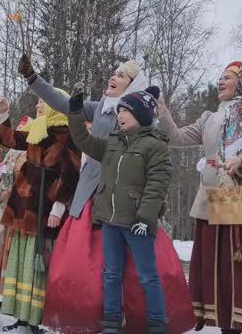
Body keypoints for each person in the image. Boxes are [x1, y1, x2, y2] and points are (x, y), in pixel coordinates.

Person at [18, 54, 195, 333]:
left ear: (134, 86)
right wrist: (33, 79)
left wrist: (147, 212)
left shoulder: (146, 128)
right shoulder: (100, 108)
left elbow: (156, 174)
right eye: (113, 73)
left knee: (142, 271)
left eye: (121, 76)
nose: (113, 77)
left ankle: (150, 320)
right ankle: (94, 318)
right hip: (94, 196)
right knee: (90, 266)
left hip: (131, 205)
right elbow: (66, 109)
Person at [157, 61, 242, 334]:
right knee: (220, 272)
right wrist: (162, 110)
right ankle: (228, 326)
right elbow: (179, 138)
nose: (220, 81)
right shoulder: (209, 118)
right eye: (219, 77)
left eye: (227, 77)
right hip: (214, 202)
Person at [69, 89, 171, 333]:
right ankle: (111, 322)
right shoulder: (113, 141)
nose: (120, 115)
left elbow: (157, 185)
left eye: (126, 110)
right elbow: (84, 141)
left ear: (141, 115)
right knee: (111, 274)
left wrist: (146, 218)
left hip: (137, 222)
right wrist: (75, 113)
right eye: (120, 110)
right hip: (110, 220)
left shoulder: (155, 145)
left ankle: (157, 323)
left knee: (147, 276)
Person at [0, 95, 81, 334]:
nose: (38, 106)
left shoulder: (67, 132)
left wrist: (59, 206)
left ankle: (36, 319)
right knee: (21, 257)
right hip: (23, 201)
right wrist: (3, 115)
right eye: (38, 103)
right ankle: (21, 316)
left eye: (43, 102)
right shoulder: (36, 128)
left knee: (38, 259)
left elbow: (71, 172)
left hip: (45, 204)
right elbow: (10, 138)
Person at [0, 119, 28, 297]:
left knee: (10, 248)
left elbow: (24, 180)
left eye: (21, 130)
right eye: (17, 129)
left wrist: (11, 192)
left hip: (15, 207)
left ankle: (6, 290)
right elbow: (2, 173)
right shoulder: (11, 152)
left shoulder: (27, 153)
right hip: (1, 204)